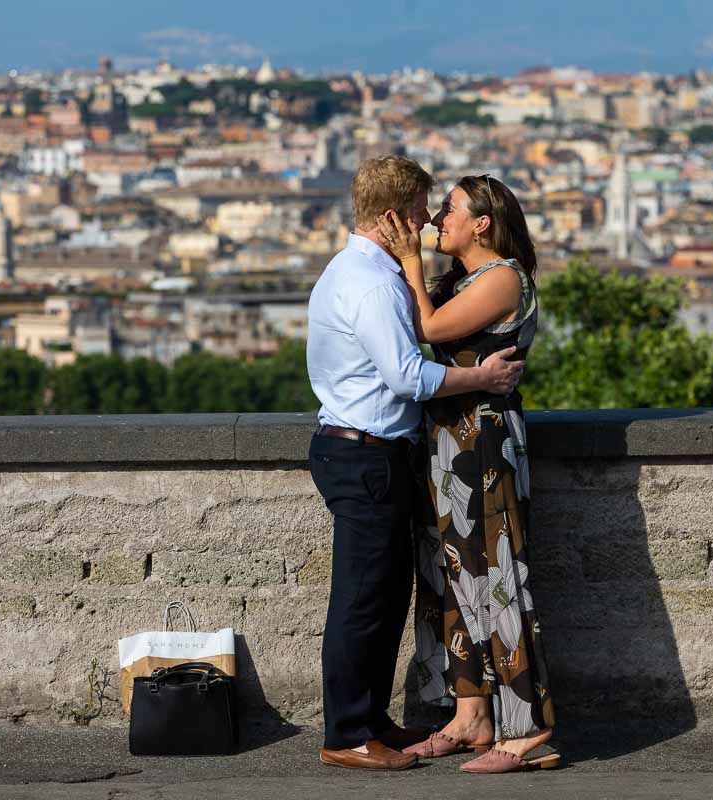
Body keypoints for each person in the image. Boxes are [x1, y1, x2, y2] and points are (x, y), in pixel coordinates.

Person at [307, 157, 525, 771]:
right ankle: (349, 733)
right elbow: (407, 374)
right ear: (394, 217)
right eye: (421, 209)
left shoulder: (357, 270)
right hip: (365, 452)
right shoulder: (374, 283)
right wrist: (480, 376)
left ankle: (370, 723)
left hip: (367, 450)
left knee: (380, 597)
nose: (429, 221)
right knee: (360, 600)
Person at [374, 174, 558, 774]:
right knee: (450, 576)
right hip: (451, 441)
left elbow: (427, 330)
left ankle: (527, 727)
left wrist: (409, 258)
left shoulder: (503, 277)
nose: (437, 222)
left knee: (498, 574)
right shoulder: (465, 278)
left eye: (449, 210)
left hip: (485, 444)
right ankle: (471, 712)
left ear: (482, 222)